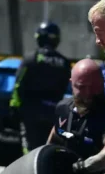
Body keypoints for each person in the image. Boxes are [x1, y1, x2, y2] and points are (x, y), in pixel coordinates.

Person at [9, 22, 72, 153]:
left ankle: (29, 171)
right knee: (49, 146)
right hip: (54, 112)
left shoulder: (31, 58)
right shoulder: (64, 62)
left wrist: (14, 106)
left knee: (30, 148)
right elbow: (67, 87)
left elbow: (19, 84)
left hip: (31, 110)